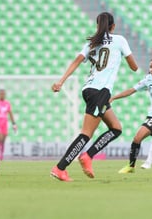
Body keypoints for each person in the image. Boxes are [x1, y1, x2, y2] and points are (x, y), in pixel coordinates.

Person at [50, 12, 138, 182]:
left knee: (116, 128)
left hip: (89, 89)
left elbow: (76, 61)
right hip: (101, 91)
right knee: (86, 134)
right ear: (113, 26)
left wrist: (61, 81)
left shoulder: (92, 43)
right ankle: (60, 168)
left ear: (98, 26)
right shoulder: (119, 40)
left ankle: (88, 156)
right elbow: (134, 67)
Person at [109, 60, 152, 173]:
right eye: (150, 66)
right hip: (151, 116)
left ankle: (147, 162)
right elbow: (131, 90)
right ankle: (131, 166)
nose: (151, 69)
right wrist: (114, 97)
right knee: (137, 138)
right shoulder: (148, 79)